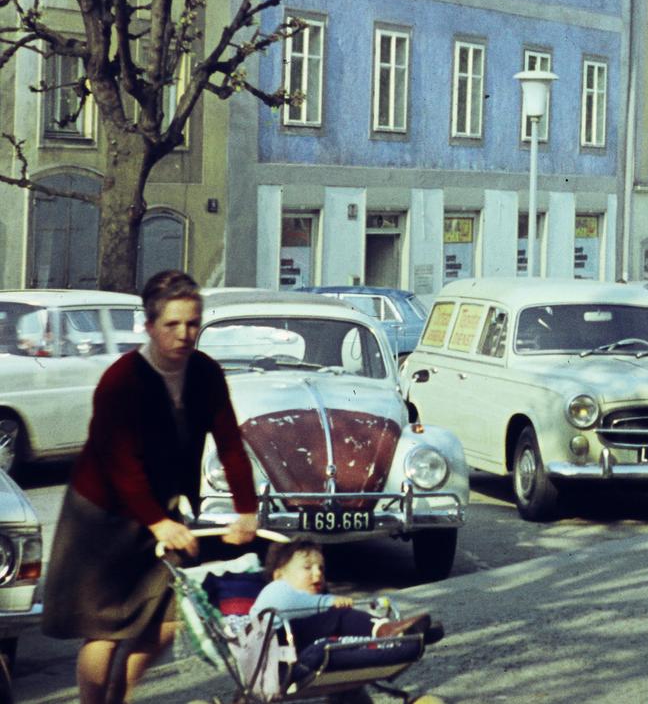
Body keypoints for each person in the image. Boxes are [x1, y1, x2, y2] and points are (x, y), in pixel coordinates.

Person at [40, 270, 259, 704]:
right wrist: (158, 521)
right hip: (101, 518)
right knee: (102, 629)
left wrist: (246, 509)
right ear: (149, 326)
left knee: (168, 618)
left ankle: (120, 697)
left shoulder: (205, 373)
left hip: (160, 511)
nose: (184, 334)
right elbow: (119, 463)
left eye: (192, 323)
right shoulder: (122, 381)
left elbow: (230, 443)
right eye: (172, 325)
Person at [251, 539, 443, 648]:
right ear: (279, 575)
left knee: (343, 625)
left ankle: (401, 636)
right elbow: (292, 602)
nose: (317, 573)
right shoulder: (275, 590)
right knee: (338, 616)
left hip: (303, 644)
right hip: (277, 650)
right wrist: (329, 602)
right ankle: (390, 633)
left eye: (321, 568)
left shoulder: (315, 602)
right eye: (307, 567)